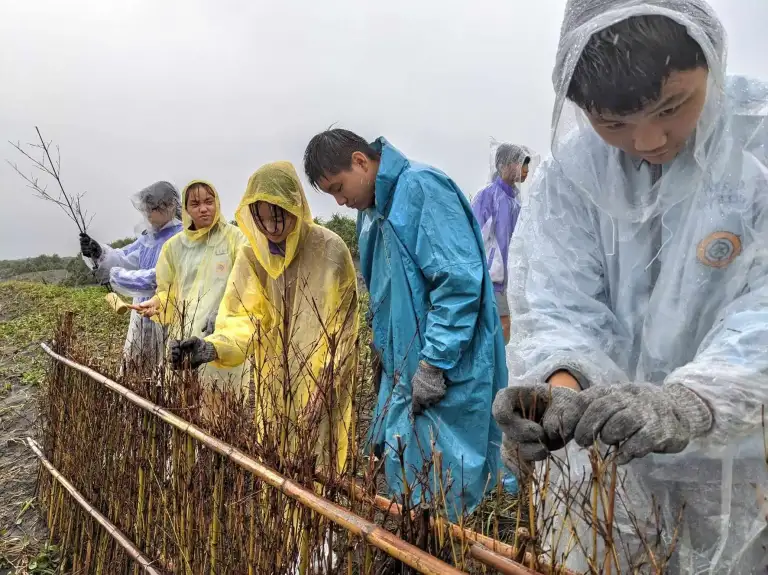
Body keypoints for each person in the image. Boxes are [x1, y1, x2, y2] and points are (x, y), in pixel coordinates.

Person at [493, 0, 768, 573]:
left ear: (711, 61)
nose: (647, 140)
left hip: (743, 468)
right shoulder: (574, 174)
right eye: (614, 123)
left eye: (672, 106)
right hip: (611, 477)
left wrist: (694, 400)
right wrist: (558, 388)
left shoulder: (757, 144)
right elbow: (557, 304)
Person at [303, 129, 508, 518]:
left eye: (339, 187)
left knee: (446, 483)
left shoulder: (420, 189)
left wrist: (435, 363)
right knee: (411, 476)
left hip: (444, 365)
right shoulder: (372, 214)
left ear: (361, 161)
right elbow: (386, 292)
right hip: (404, 367)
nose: (340, 201)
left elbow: (458, 283)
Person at [170, 162, 359, 474]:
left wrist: (324, 385)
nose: (271, 228)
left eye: (278, 216)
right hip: (274, 379)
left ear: (295, 206)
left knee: (319, 466)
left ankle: (320, 522)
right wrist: (214, 347)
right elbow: (242, 318)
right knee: (277, 462)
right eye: (262, 219)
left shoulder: (329, 250)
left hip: (322, 380)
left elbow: (344, 327)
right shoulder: (252, 257)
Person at [132, 180, 247, 399]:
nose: (203, 208)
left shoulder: (236, 239)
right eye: (195, 204)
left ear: (217, 203)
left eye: (208, 201)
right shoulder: (174, 247)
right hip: (182, 336)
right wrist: (156, 304)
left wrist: (223, 312)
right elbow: (167, 292)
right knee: (182, 401)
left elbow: (245, 285)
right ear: (185, 209)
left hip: (219, 335)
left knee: (220, 403)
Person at [79, 181, 183, 368]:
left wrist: (117, 276)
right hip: (141, 310)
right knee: (139, 362)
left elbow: (157, 278)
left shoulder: (182, 237)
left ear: (170, 205)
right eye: (147, 208)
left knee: (166, 365)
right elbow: (124, 257)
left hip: (167, 307)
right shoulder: (148, 238)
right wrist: (98, 252)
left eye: (153, 207)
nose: (149, 213)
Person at [471, 144, 531, 344]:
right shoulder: (487, 196)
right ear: (503, 165)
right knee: (502, 327)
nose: (525, 170)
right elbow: (475, 237)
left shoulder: (516, 200)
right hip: (492, 279)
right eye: (521, 163)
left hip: (511, 281)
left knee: (508, 329)